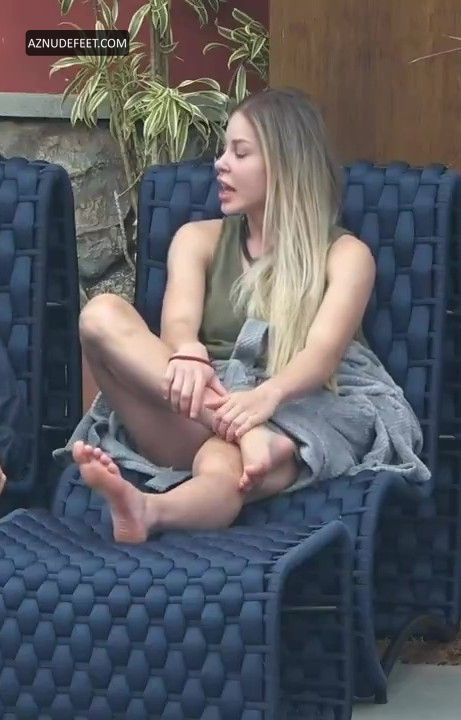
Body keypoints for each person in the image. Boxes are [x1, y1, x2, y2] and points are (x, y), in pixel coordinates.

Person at [69, 87, 428, 544]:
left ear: (285, 164)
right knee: (100, 314)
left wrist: (265, 399)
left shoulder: (346, 256)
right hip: (199, 402)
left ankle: (147, 510)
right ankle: (245, 436)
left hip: (296, 407)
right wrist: (188, 351)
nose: (220, 164)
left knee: (224, 466)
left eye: (239, 153)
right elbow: (178, 323)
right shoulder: (197, 239)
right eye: (223, 151)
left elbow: (320, 354)